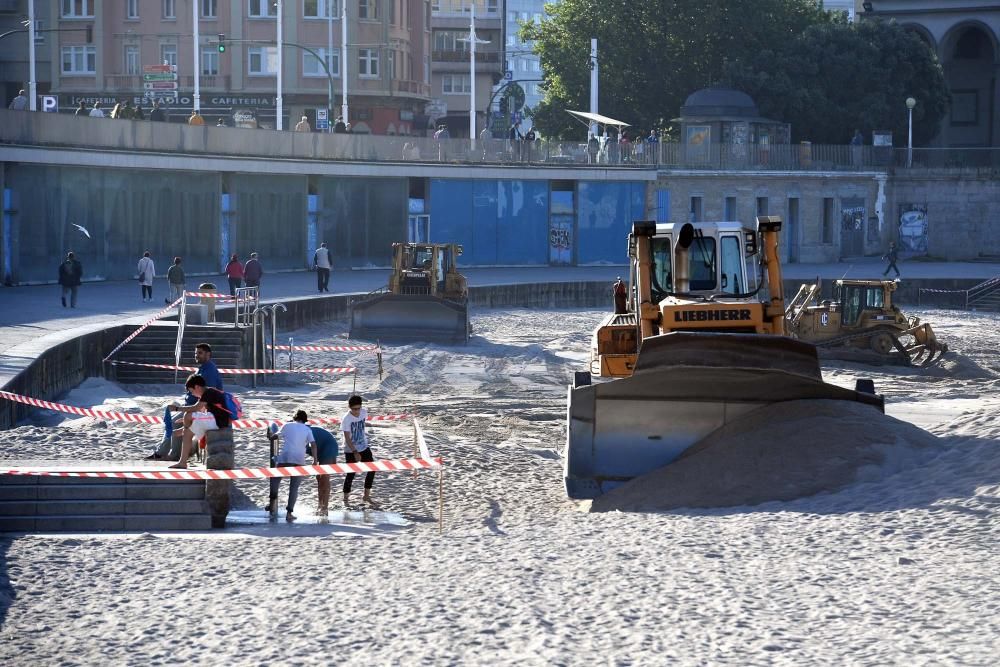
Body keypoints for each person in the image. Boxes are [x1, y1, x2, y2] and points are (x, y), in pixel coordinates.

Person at [148, 344, 224, 460]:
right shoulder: (202, 368)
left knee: (175, 421)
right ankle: (163, 452)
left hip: (201, 408)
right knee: (171, 417)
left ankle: (173, 454)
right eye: (195, 353)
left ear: (208, 354)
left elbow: (208, 396)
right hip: (190, 404)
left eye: (200, 353)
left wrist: (181, 409)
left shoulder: (210, 370)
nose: (196, 356)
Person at [167, 374, 231, 469]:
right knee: (188, 432)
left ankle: (183, 429)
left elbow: (195, 408)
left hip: (218, 421)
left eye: (192, 391)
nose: (192, 394)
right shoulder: (207, 393)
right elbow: (200, 411)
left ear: (197, 387)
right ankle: (182, 462)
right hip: (212, 420)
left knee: (187, 415)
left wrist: (176, 408)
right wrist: (189, 419)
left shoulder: (209, 392)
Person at [265, 410, 317, 521]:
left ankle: (272, 503)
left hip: (286, 457)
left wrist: (270, 434)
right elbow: (313, 444)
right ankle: (289, 513)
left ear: (295, 418)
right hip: (299, 459)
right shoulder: (307, 429)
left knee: (275, 479)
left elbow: (275, 437)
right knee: (294, 488)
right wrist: (315, 460)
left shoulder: (287, 425)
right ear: (304, 420)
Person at [341, 395, 379, 508]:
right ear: (350, 408)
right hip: (350, 449)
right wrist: (354, 452)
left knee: (372, 469)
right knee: (351, 474)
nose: (356, 411)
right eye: (354, 409)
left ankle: (366, 496)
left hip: (363, 446)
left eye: (358, 408)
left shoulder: (364, 412)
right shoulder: (346, 419)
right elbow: (347, 438)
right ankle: (345, 498)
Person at [310, 425, 339, 515]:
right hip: (321, 448)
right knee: (319, 478)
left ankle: (325, 508)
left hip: (329, 446)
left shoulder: (303, 432)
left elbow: (313, 445)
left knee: (324, 479)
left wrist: (315, 461)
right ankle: (320, 505)